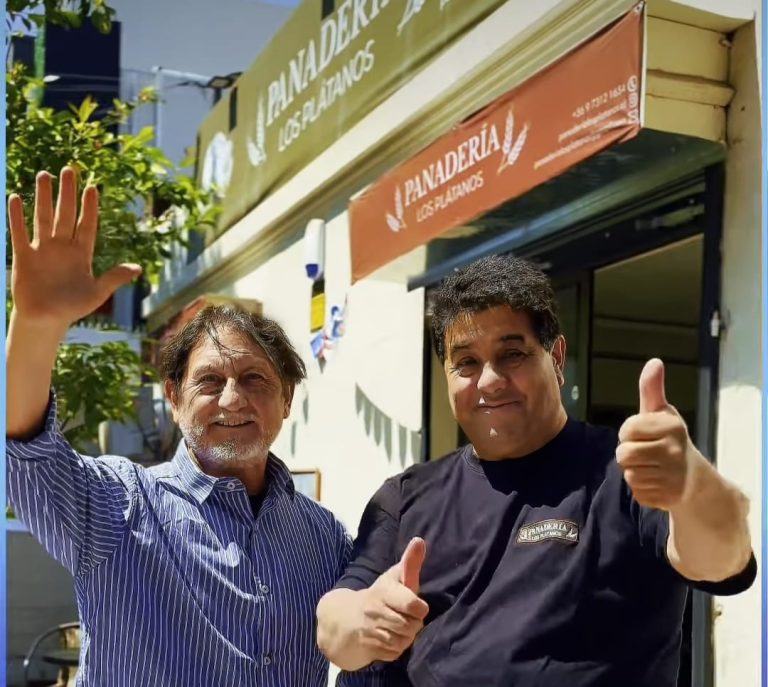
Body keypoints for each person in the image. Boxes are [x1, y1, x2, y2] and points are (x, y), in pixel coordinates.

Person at [316, 254, 756, 687]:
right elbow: (335, 630)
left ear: (557, 357)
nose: (489, 381)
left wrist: (693, 488)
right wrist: (363, 620)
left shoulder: (624, 474)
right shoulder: (406, 496)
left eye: (512, 354)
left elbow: (721, 562)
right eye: (466, 363)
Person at [7, 168, 350, 686]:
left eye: (254, 378)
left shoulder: (325, 539)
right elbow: (26, 450)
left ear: (286, 399)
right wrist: (37, 326)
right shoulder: (118, 506)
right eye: (209, 380)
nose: (232, 399)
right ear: (174, 398)